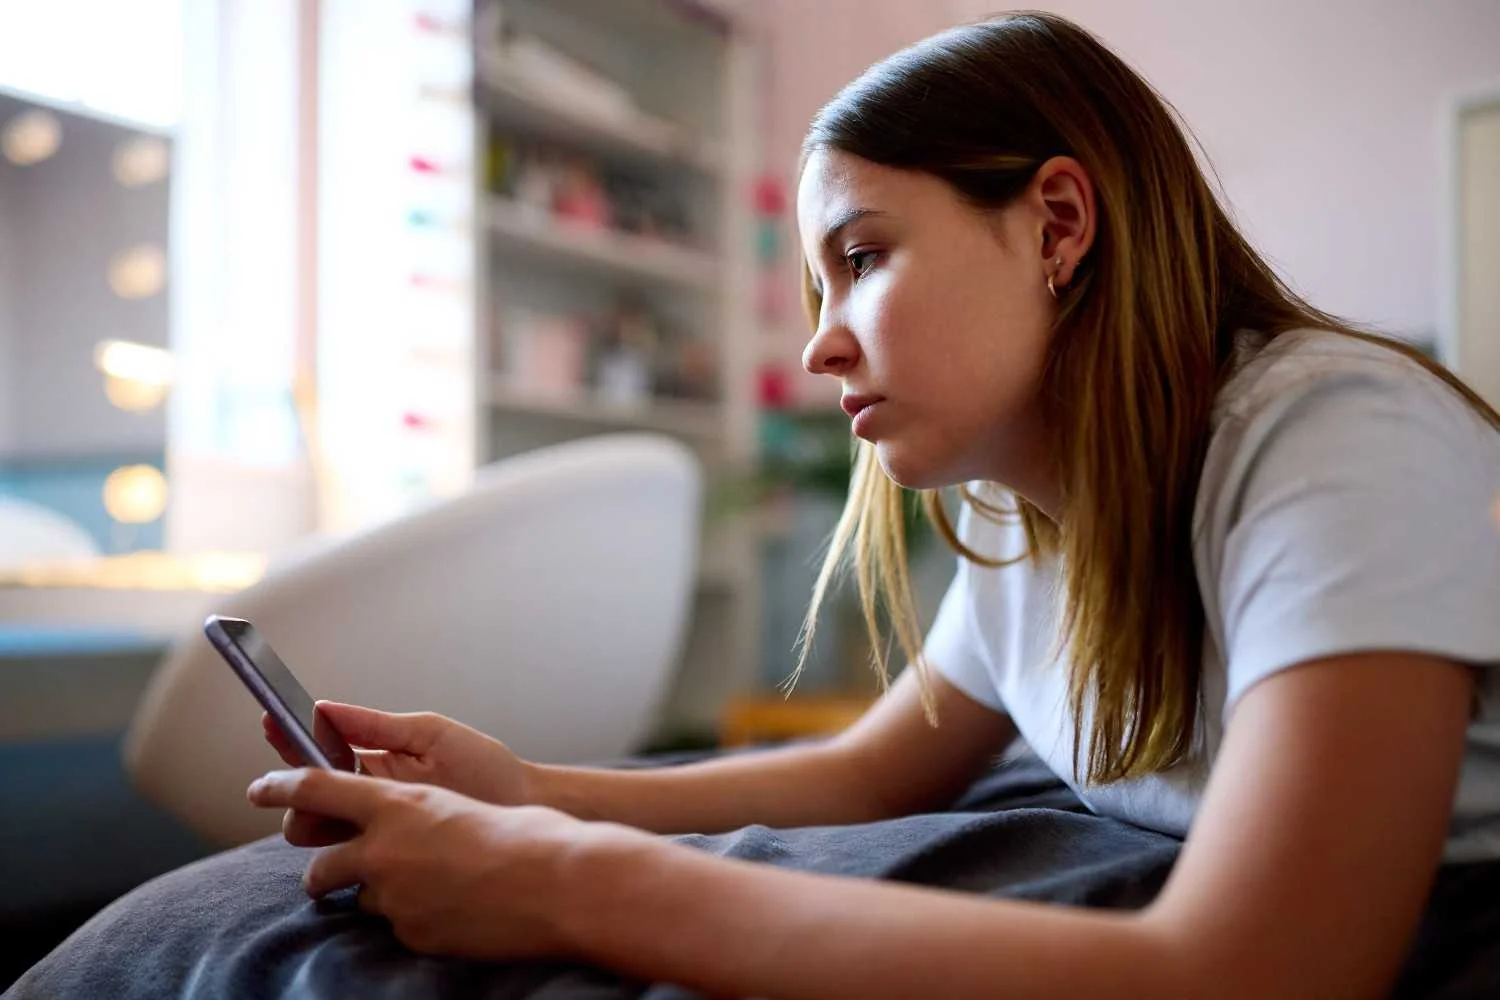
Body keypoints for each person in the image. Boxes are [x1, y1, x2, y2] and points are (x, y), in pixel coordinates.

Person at [26, 11, 1500, 999]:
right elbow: (861, 777)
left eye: (862, 256)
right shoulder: (1040, 521)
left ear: (1057, 223)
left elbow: (1266, 968)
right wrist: (529, 793)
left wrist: (573, 882)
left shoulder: (1330, 435)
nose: (817, 344)